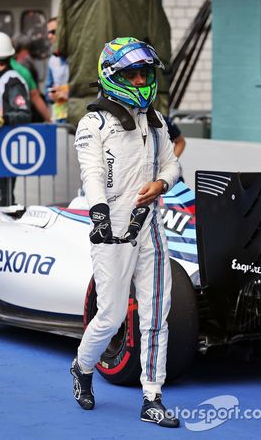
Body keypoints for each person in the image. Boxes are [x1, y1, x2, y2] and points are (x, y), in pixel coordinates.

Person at [72, 37, 180, 428]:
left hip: (150, 225)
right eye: (131, 73)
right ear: (112, 77)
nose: (139, 79)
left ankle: (152, 396)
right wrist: (100, 215)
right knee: (112, 314)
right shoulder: (93, 122)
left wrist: (163, 185)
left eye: (145, 73)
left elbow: (172, 165)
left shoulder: (156, 120)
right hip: (111, 229)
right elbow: (93, 174)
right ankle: (83, 367)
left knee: (156, 315)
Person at [0, 31, 31, 205]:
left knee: (1, 200)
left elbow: (23, 113)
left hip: (4, 150)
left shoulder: (12, 81)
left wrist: (1, 120)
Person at [0, 53, 50, 123]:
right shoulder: (22, 71)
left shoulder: (12, 78)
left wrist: (1, 120)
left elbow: (24, 112)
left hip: (2, 129)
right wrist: (49, 120)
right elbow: (35, 96)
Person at [45, 17, 69, 123]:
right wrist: (51, 95)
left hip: (80, 117)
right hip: (59, 118)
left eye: (53, 32)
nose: (49, 36)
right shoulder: (52, 60)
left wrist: (67, 94)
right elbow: (47, 89)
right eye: (48, 32)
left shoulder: (77, 57)